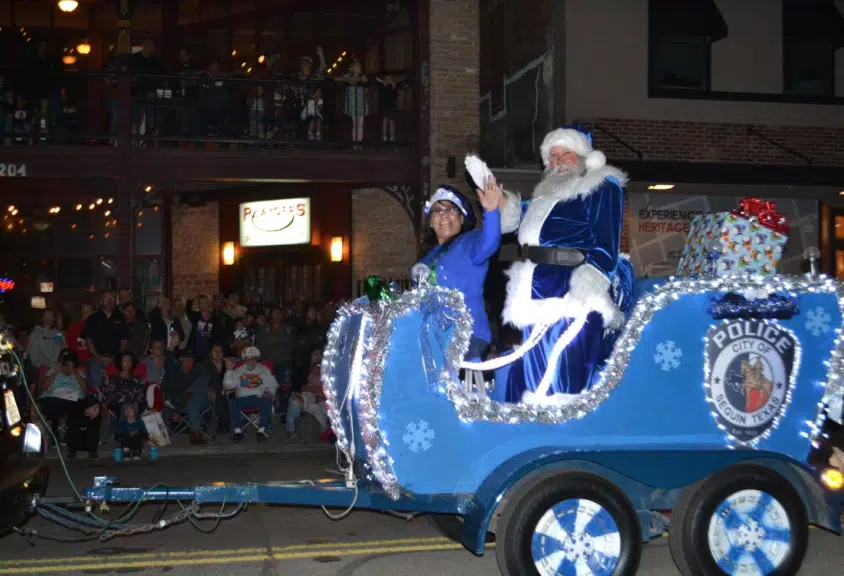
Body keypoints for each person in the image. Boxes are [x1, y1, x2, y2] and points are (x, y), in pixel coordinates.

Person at [464, 127, 633, 401]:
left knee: (563, 376)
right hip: (537, 289)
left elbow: (607, 240)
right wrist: (495, 195)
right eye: (553, 156)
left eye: (566, 153)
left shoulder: (600, 184)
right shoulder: (545, 196)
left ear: (583, 157)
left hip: (573, 291)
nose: (558, 160)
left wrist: (591, 281)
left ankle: (566, 432)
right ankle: (539, 428)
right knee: (536, 371)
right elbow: (516, 216)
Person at [414, 181, 502, 360]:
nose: (444, 216)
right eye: (438, 211)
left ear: (462, 218)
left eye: (451, 210)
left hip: (465, 335)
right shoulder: (428, 257)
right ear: (430, 221)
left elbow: (489, 243)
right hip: (431, 336)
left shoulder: (469, 243)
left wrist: (492, 212)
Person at [223, 346, 278, 443]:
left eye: (254, 357)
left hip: (259, 399)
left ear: (257, 358)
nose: (251, 360)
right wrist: (229, 370)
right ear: (244, 359)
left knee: (267, 401)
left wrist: (269, 393)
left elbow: (273, 384)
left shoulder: (264, 370)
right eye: (249, 358)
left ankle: (261, 431)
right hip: (241, 399)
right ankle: (238, 431)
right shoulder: (238, 370)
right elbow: (228, 386)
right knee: (232, 402)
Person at [161, 345, 213, 446]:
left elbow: (209, 384)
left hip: (199, 400)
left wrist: (211, 390)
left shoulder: (198, 370)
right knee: (192, 399)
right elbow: (164, 387)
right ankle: (195, 433)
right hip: (181, 402)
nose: (189, 361)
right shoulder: (174, 371)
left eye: (191, 359)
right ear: (180, 359)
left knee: (200, 383)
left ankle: (195, 433)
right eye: (186, 359)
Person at [82, 291, 128, 392]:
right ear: (101, 301)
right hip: (96, 358)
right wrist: (99, 357)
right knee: (96, 380)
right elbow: (88, 340)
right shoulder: (92, 319)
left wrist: (115, 358)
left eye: (111, 298)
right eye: (106, 298)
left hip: (115, 359)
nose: (109, 301)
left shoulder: (120, 318)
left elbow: (124, 341)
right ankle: (94, 406)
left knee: (119, 384)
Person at [39, 348, 86, 444]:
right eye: (65, 364)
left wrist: (74, 372)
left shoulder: (79, 373)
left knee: (79, 404)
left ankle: (71, 435)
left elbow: (85, 389)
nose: (66, 367)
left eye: (69, 364)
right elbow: (43, 387)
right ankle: (55, 434)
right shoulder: (53, 371)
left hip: (73, 399)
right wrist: (55, 372)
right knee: (51, 403)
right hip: (54, 398)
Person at [286, 347, 328, 439]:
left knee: (319, 404)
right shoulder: (302, 370)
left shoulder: (328, 369)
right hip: (307, 395)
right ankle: (291, 430)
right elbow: (300, 387)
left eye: (320, 354)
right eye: (316, 354)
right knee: (295, 399)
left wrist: (319, 392)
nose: (318, 357)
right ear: (310, 356)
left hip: (323, 396)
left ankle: (322, 429)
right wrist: (313, 389)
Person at [65, 394, 101, 459]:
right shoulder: (76, 411)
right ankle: (71, 452)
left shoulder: (97, 416)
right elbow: (70, 424)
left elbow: (96, 427)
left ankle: (93, 453)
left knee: (93, 432)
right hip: (76, 438)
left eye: (97, 407)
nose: (97, 409)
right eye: (95, 407)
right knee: (71, 432)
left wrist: (92, 418)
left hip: (88, 440)